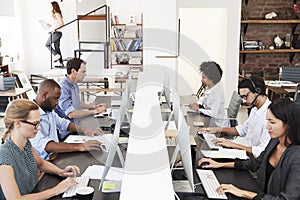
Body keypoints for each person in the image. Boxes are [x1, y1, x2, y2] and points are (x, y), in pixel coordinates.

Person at [198, 98, 300, 199]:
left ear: (288, 125)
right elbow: (255, 163)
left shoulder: (296, 156)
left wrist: (243, 193)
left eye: (272, 122)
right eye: (267, 121)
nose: (267, 126)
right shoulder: (275, 141)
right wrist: (220, 164)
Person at [0, 99, 80, 199]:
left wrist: (61, 172)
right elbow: (16, 199)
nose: (39, 128)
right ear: (17, 123)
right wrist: (56, 190)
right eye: (35, 124)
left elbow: (40, 163)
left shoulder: (26, 143)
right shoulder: (4, 155)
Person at [30, 79, 103, 160]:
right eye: (55, 98)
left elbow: (64, 124)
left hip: (55, 155)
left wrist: (86, 130)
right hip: (44, 163)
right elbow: (45, 145)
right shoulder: (30, 115)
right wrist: (80, 146)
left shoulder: (48, 110)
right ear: (44, 96)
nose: (57, 103)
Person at [199, 75, 271, 158]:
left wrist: (233, 145)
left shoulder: (270, 116)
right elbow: (242, 130)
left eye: (245, 96)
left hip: (253, 160)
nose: (244, 101)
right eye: (242, 97)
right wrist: (216, 129)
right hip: (245, 153)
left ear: (258, 91)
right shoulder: (255, 109)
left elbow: (261, 151)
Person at [56, 57, 107, 124]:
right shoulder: (63, 87)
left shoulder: (74, 83)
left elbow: (77, 103)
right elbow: (71, 114)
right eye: (83, 72)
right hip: (71, 129)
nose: (85, 75)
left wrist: (94, 107)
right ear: (73, 71)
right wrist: (94, 111)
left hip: (79, 122)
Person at [188, 61, 230, 127]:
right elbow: (205, 98)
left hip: (219, 126)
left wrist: (199, 109)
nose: (201, 80)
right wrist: (198, 104)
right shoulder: (209, 87)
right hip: (211, 121)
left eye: (204, 77)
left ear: (212, 79)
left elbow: (214, 114)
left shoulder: (218, 93)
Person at [45, 1, 64, 67]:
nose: (50, 7)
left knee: (47, 44)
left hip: (57, 33)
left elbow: (62, 23)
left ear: (54, 6)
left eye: (51, 6)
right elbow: (56, 24)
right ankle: (61, 63)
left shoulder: (57, 13)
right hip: (56, 32)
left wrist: (55, 29)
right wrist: (49, 25)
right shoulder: (54, 14)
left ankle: (56, 55)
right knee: (57, 48)